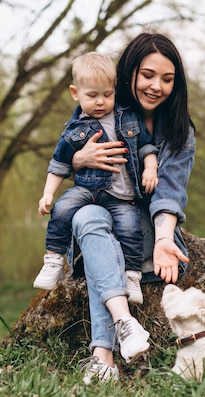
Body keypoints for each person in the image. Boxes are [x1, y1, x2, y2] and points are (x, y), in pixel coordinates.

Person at [66, 33, 196, 383]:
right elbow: (66, 156)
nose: (156, 86)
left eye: (167, 79)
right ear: (130, 74)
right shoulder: (104, 111)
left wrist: (164, 239)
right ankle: (120, 331)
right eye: (148, 75)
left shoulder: (178, 131)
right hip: (102, 215)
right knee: (85, 216)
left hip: (145, 233)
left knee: (99, 245)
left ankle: (101, 356)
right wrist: (79, 159)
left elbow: (170, 190)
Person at [33, 52, 159, 306]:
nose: (101, 102)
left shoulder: (128, 118)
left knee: (130, 230)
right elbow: (59, 164)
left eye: (107, 95)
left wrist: (150, 168)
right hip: (89, 190)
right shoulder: (74, 130)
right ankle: (54, 259)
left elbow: (146, 147)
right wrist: (48, 193)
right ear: (75, 93)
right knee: (63, 208)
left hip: (123, 195)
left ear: (114, 91)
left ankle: (132, 277)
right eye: (92, 96)